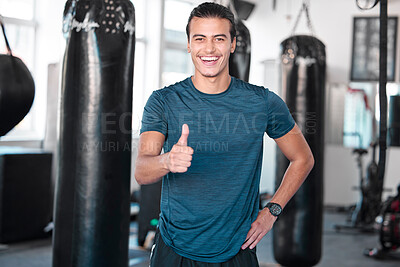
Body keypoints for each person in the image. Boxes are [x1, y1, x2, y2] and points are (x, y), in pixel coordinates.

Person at [134, 2, 314, 266]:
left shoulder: (263, 102)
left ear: (232, 44)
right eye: (200, 39)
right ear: (188, 45)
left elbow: (303, 158)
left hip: (236, 250)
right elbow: (141, 170)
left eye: (219, 39)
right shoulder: (163, 101)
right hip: (174, 249)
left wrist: (272, 211)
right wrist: (166, 161)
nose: (209, 49)